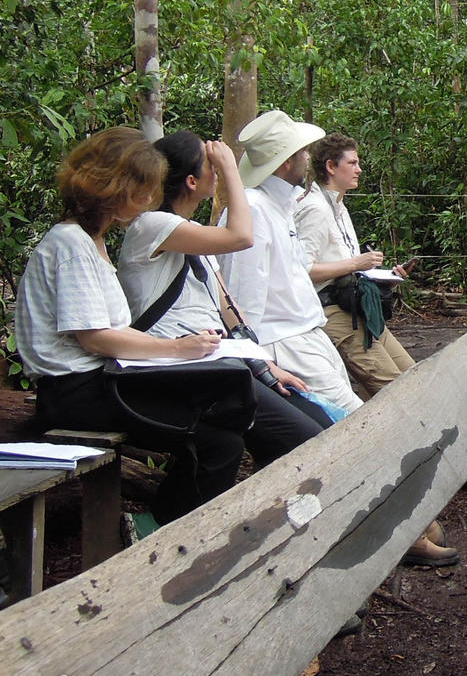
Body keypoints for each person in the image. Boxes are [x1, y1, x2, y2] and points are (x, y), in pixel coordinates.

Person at [16, 128, 237, 523]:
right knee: (217, 441)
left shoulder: (91, 242)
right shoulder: (70, 245)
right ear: (114, 188)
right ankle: (166, 533)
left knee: (219, 414)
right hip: (74, 393)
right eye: (142, 190)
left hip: (98, 381)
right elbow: (96, 337)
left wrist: (184, 347)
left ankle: (162, 524)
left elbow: (110, 330)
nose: (147, 201)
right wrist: (175, 349)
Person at [116, 131, 327, 466]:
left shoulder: (195, 236)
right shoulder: (151, 226)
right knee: (304, 438)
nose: (215, 171)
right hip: (176, 367)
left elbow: (229, 314)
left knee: (310, 421)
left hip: (214, 363)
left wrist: (266, 367)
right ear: (190, 181)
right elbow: (242, 236)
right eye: (209, 166)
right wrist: (232, 169)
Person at [219, 110, 363, 416]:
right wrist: (259, 363)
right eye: (302, 152)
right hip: (284, 342)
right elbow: (243, 293)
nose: (307, 157)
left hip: (308, 334)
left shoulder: (281, 206)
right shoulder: (254, 211)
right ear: (286, 162)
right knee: (355, 422)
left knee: (342, 421)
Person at [296, 133, 414, 399]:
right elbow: (301, 270)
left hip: (357, 307)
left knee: (413, 375)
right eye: (353, 163)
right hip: (331, 311)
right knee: (397, 389)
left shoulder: (339, 207)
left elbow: (347, 266)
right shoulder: (315, 209)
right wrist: (355, 263)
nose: (359, 169)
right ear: (330, 166)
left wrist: (385, 276)